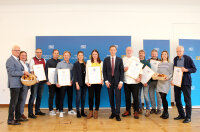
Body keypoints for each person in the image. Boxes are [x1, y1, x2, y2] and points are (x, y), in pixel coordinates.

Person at [172, 46, 196, 123]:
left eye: (180, 51)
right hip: (177, 82)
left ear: (183, 51)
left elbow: (194, 69)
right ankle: (182, 115)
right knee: (177, 99)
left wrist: (186, 69)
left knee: (187, 100)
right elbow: (174, 70)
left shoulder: (188, 58)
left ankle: (188, 117)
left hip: (186, 82)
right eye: (177, 51)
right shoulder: (175, 59)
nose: (179, 52)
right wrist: (173, 80)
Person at [6, 45, 29, 125]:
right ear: (12, 51)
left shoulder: (17, 60)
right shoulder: (10, 60)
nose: (18, 52)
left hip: (20, 84)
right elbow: (11, 72)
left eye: (19, 50)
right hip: (14, 84)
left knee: (18, 102)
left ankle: (18, 117)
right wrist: (23, 72)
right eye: (16, 50)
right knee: (13, 102)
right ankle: (10, 120)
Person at [103, 45, 124, 121]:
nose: (112, 51)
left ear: (116, 51)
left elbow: (122, 72)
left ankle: (117, 114)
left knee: (118, 98)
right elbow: (104, 72)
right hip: (109, 82)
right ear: (109, 51)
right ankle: (113, 112)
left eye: (114, 50)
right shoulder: (106, 60)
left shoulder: (119, 59)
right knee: (111, 97)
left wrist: (121, 82)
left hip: (118, 82)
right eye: (111, 50)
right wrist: (106, 81)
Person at [122, 47, 142, 119]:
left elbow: (140, 70)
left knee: (135, 98)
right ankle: (128, 111)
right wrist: (123, 69)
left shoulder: (136, 59)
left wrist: (140, 78)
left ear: (132, 51)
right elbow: (120, 70)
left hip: (135, 82)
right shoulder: (123, 59)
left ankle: (136, 111)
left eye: (130, 50)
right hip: (126, 81)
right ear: (126, 51)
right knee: (127, 97)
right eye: (127, 50)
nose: (129, 51)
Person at [55, 51, 75, 118]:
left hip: (69, 84)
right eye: (65, 55)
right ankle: (61, 111)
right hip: (62, 84)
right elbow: (56, 74)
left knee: (70, 97)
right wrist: (56, 82)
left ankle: (70, 110)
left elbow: (73, 75)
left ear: (70, 56)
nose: (66, 56)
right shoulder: (59, 64)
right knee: (61, 97)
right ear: (63, 56)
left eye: (68, 55)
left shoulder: (71, 65)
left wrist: (72, 81)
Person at [85, 49, 103, 119]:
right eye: (93, 54)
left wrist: (102, 80)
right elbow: (87, 72)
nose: (94, 55)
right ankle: (90, 111)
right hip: (91, 83)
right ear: (91, 55)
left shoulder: (101, 62)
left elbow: (103, 72)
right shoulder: (88, 62)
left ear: (97, 55)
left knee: (97, 97)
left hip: (98, 83)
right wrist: (86, 81)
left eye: (96, 54)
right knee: (90, 97)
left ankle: (96, 111)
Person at [28, 48, 46, 118]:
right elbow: (31, 71)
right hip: (35, 81)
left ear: (41, 53)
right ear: (35, 53)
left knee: (39, 96)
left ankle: (37, 111)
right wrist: (36, 79)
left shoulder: (44, 60)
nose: (39, 53)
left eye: (40, 52)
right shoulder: (32, 60)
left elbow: (44, 70)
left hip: (42, 81)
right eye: (38, 52)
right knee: (33, 96)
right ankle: (30, 113)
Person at [157, 50, 173, 119]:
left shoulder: (170, 64)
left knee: (163, 97)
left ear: (167, 55)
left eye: (165, 54)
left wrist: (168, 77)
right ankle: (164, 112)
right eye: (163, 54)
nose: (164, 55)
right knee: (162, 97)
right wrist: (157, 75)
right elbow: (158, 72)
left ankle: (166, 112)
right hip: (160, 82)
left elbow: (171, 74)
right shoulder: (159, 64)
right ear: (161, 56)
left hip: (166, 82)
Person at [45, 49, 61, 116]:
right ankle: (51, 110)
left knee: (58, 96)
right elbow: (46, 72)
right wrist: (47, 80)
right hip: (51, 82)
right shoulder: (49, 61)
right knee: (51, 96)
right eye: (55, 53)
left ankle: (57, 109)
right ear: (52, 54)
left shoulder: (60, 62)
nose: (56, 54)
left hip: (58, 82)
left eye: (57, 53)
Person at [73, 51, 87, 118]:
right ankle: (78, 111)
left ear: (83, 56)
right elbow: (74, 75)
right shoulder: (75, 64)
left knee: (83, 98)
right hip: (78, 83)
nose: (80, 56)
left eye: (82, 55)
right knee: (78, 98)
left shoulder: (85, 63)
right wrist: (76, 84)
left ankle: (82, 111)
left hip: (85, 84)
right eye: (79, 55)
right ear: (77, 56)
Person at [148, 49, 162, 114]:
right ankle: (153, 108)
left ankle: (159, 109)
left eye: (155, 54)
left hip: (159, 81)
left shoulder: (160, 61)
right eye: (153, 54)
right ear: (151, 54)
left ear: (157, 54)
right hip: (150, 81)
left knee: (158, 95)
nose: (154, 55)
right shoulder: (148, 61)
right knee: (151, 95)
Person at [138, 50, 151, 117]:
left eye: (142, 53)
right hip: (138, 82)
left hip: (146, 83)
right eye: (140, 53)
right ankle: (140, 108)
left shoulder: (147, 62)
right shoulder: (137, 62)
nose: (141, 54)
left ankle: (148, 109)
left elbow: (149, 73)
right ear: (139, 54)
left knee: (146, 96)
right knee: (138, 96)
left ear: (144, 54)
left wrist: (146, 82)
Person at [19, 51, 30, 121]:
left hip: (26, 84)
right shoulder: (18, 63)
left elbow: (29, 74)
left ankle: (21, 113)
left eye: (25, 55)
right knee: (18, 100)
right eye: (22, 55)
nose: (24, 56)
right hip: (19, 84)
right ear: (19, 56)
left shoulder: (27, 64)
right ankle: (18, 114)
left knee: (23, 99)